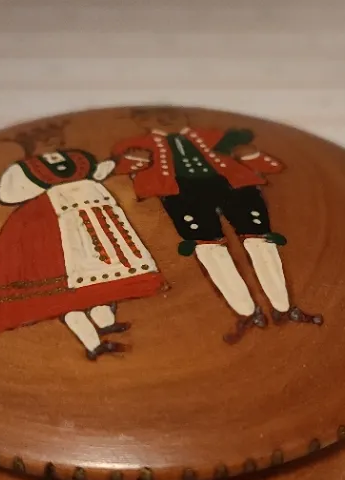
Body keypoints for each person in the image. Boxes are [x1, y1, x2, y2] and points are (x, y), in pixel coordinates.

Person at [112, 122, 322, 342]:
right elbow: (120, 164)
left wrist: (245, 151)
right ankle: (247, 312)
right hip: (182, 194)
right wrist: (139, 161)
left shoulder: (209, 134)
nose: (163, 119)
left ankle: (283, 307)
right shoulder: (137, 143)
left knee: (260, 241)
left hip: (234, 185)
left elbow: (245, 143)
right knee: (210, 250)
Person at [0, 148, 166, 359]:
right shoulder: (23, 169)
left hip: (93, 217)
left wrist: (120, 164)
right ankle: (92, 343)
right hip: (55, 223)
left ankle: (105, 322)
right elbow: (9, 194)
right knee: (69, 288)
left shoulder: (77, 158)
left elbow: (98, 171)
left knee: (100, 269)